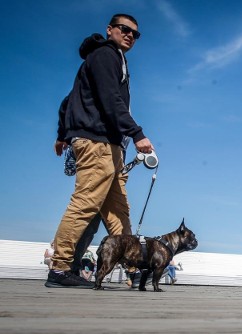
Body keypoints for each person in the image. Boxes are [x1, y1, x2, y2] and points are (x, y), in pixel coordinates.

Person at [47, 13, 154, 289]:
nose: (130, 35)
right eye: (124, 29)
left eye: (135, 33)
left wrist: (62, 135)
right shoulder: (106, 55)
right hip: (98, 143)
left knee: (119, 212)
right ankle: (59, 268)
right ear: (110, 30)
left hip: (111, 146)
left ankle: (133, 269)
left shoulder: (111, 59)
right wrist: (137, 133)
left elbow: (68, 101)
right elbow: (110, 100)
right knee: (85, 203)